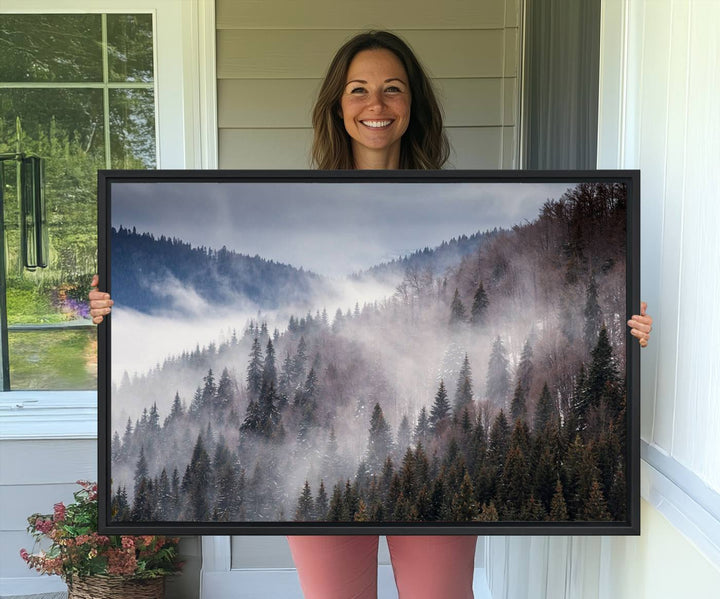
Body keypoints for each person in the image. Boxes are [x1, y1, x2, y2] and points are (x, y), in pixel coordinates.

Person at [89, 30, 653, 599]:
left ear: (413, 105)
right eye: (358, 90)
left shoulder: (460, 206)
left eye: (392, 89)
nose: (376, 105)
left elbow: (542, 315)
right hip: (318, 450)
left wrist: (617, 327)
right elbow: (235, 304)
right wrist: (117, 311)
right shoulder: (292, 208)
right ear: (338, 105)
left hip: (433, 451)